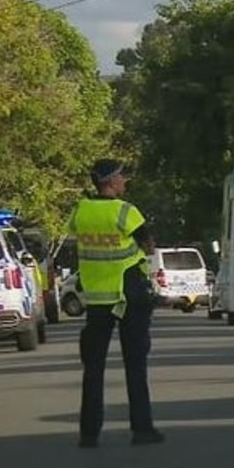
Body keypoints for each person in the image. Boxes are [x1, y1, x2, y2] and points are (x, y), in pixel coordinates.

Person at [68, 159, 165, 448]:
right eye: (122, 177)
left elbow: (78, 235)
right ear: (110, 182)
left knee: (93, 368)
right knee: (135, 364)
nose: (125, 181)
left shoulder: (81, 211)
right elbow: (148, 245)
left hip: (97, 300)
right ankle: (142, 429)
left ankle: (89, 433)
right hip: (128, 294)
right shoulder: (125, 211)